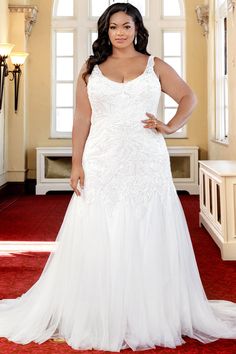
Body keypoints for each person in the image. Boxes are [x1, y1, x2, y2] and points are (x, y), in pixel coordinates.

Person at [0, 2, 236, 352]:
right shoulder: (90, 69)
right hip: (102, 159)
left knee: (147, 225)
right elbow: (82, 119)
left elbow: (189, 96)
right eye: (113, 27)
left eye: (127, 26)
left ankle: (150, 309)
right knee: (100, 225)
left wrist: (170, 126)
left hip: (146, 159)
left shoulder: (154, 65)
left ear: (138, 29)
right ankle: (98, 307)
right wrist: (77, 163)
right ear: (105, 31)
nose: (120, 32)